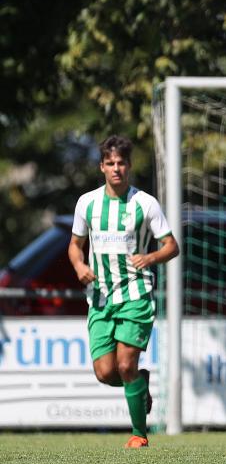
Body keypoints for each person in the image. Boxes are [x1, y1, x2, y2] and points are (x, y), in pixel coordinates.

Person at [68, 135, 180, 448]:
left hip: (135, 294)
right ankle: (140, 384)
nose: (116, 168)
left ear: (129, 166)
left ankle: (139, 435)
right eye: (110, 163)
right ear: (102, 166)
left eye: (121, 163)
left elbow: (172, 245)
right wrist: (79, 268)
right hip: (100, 298)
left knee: (126, 365)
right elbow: (75, 247)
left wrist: (151, 257)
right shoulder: (87, 203)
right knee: (105, 372)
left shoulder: (145, 203)